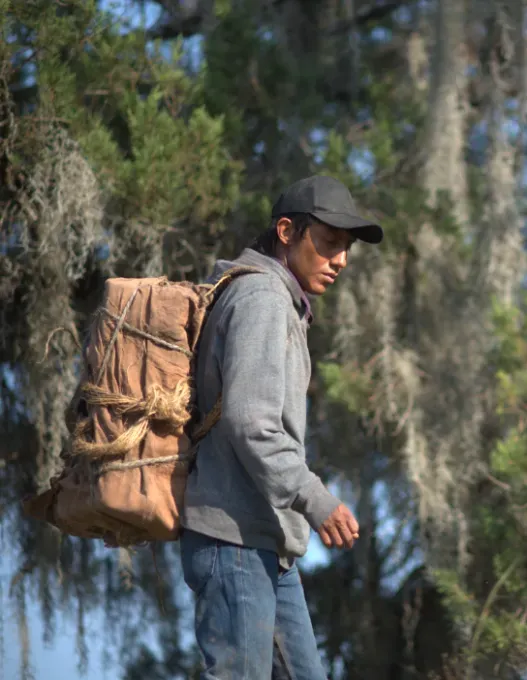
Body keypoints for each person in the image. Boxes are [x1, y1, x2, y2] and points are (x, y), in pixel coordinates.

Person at [180, 175, 383, 679]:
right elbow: (251, 422)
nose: (341, 260)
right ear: (287, 231)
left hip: (264, 543)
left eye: (347, 248)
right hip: (236, 543)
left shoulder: (274, 299)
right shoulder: (263, 298)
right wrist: (314, 498)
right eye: (330, 243)